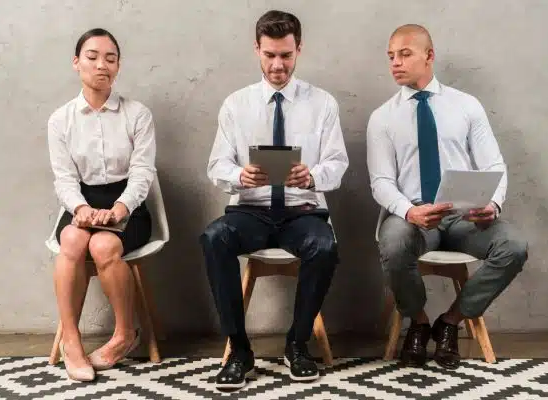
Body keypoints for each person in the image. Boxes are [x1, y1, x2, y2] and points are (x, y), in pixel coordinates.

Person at [200, 10, 349, 390]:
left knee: (324, 245)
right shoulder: (236, 104)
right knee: (214, 237)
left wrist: (312, 175)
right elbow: (216, 165)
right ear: (257, 50)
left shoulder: (323, 104)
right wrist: (239, 175)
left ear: (299, 49)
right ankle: (240, 350)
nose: (278, 65)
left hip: (303, 210)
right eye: (270, 55)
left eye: (286, 55)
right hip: (251, 210)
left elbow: (338, 164)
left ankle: (297, 343)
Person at [367, 24, 528, 370]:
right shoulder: (382, 118)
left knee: (513, 246)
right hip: (414, 216)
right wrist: (409, 212)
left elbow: (494, 164)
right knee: (392, 240)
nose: (395, 62)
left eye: (405, 54)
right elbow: (381, 183)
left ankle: (450, 322)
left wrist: (493, 204)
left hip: (464, 215)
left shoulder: (467, 106)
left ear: (429, 55)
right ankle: (419, 322)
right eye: (391, 56)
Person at [47, 28, 156, 381]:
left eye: (110, 58)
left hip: (129, 203)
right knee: (73, 240)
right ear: (76, 63)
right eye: (92, 57)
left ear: (119, 66)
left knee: (104, 243)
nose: (101, 65)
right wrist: (79, 209)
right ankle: (72, 340)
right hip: (83, 200)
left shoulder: (137, 114)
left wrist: (122, 207)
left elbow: (143, 173)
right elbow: (64, 178)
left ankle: (124, 334)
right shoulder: (60, 119)